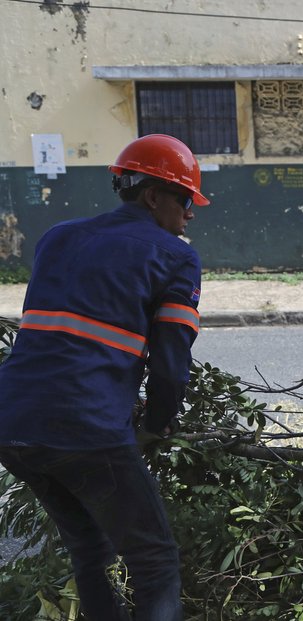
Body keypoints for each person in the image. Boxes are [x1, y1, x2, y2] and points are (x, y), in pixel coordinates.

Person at [0, 134, 208, 620]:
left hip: (12, 422)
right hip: (86, 426)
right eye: (184, 200)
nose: (190, 214)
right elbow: (171, 364)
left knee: (88, 549)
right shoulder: (176, 256)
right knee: (154, 560)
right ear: (153, 195)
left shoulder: (58, 236)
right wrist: (156, 425)